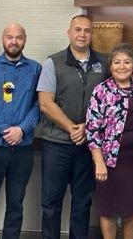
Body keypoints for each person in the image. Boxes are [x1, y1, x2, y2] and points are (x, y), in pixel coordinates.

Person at [37, 14, 109, 239]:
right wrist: (72, 128)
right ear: (69, 33)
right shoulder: (53, 62)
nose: (82, 34)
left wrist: (88, 129)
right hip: (56, 144)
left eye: (87, 30)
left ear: (91, 34)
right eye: (77, 30)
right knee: (51, 202)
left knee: (82, 202)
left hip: (88, 146)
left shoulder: (104, 63)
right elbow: (46, 103)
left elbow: (110, 101)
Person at [0, 23, 41, 239]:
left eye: (18, 37)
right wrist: (6, 130)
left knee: (16, 203)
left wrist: (21, 129)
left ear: (25, 39)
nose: (14, 41)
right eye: (10, 37)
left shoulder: (36, 69)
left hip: (22, 149)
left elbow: (40, 106)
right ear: (2, 39)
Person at [86, 43, 133, 239]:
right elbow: (92, 130)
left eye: (127, 62)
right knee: (108, 209)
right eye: (117, 62)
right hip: (108, 162)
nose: (122, 66)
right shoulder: (101, 90)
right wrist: (98, 162)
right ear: (110, 66)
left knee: (132, 208)